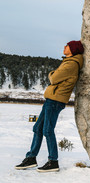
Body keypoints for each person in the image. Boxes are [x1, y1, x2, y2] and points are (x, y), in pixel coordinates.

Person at [15, 40, 84, 173]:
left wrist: (51, 73)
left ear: (73, 49)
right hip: (51, 100)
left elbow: (53, 78)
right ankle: (31, 158)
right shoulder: (68, 62)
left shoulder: (71, 64)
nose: (64, 47)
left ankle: (53, 161)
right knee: (38, 128)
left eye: (67, 46)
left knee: (47, 130)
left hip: (55, 101)